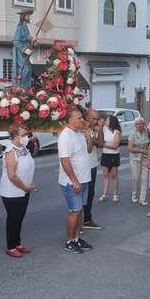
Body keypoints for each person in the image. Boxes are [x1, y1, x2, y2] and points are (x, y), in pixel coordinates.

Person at [58, 108, 93, 254]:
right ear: (70, 120)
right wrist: (75, 181)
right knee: (75, 211)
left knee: (80, 212)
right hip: (72, 182)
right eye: (79, 118)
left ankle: (77, 238)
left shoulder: (79, 133)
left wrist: (88, 136)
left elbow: (88, 151)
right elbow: (65, 160)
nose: (82, 120)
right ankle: (69, 241)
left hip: (83, 179)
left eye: (81, 117)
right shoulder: (66, 136)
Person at [0, 124, 36, 258]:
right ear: (15, 136)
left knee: (19, 218)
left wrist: (29, 183)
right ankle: (11, 246)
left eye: (27, 135)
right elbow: (12, 175)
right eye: (24, 135)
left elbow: (26, 167)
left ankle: (17, 243)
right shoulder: (10, 151)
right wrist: (25, 187)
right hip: (12, 192)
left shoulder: (24, 149)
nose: (27, 137)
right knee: (13, 219)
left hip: (24, 190)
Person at [82, 109, 103, 230]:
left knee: (90, 193)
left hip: (92, 165)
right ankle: (82, 220)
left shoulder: (92, 129)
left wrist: (99, 129)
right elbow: (91, 146)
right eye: (93, 118)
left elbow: (100, 143)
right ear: (86, 117)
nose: (95, 121)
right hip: (84, 167)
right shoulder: (82, 130)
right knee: (82, 194)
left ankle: (87, 218)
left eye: (97, 119)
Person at [98, 115, 122, 202]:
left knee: (114, 175)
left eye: (107, 120)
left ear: (111, 121)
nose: (105, 121)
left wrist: (103, 144)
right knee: (105, 175)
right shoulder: (104, 129)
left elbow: (115, 145)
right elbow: (100, 139)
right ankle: (104, 194)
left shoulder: (117, 132)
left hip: (114, 155)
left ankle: (115, 194)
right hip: (105, 154)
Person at [128, 117, 150, 205]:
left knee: (144, 178)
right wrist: (142, 151)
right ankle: (134, 195)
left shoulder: (147, 132)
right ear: (135, 125)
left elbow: (149, 144)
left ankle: (142, 198)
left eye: (141, 123)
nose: (139, 125)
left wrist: (148, 152)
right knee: (135, 178)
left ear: (143, 124)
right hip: (135, 158)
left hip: (145, 158)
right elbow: (130, 148)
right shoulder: (132, 133)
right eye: (137, 124)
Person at [12, 9, 36, 88]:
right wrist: (24, 49)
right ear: (23, 17)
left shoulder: (26, 27)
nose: (29, 18)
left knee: (29, 70)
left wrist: (33, 40)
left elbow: (27, 39)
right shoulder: (20, 27)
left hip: (26, 54)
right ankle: (22, 89)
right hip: (20, 54)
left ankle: (27, 90)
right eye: (28, 16)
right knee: (24, 71)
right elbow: (16, 41)